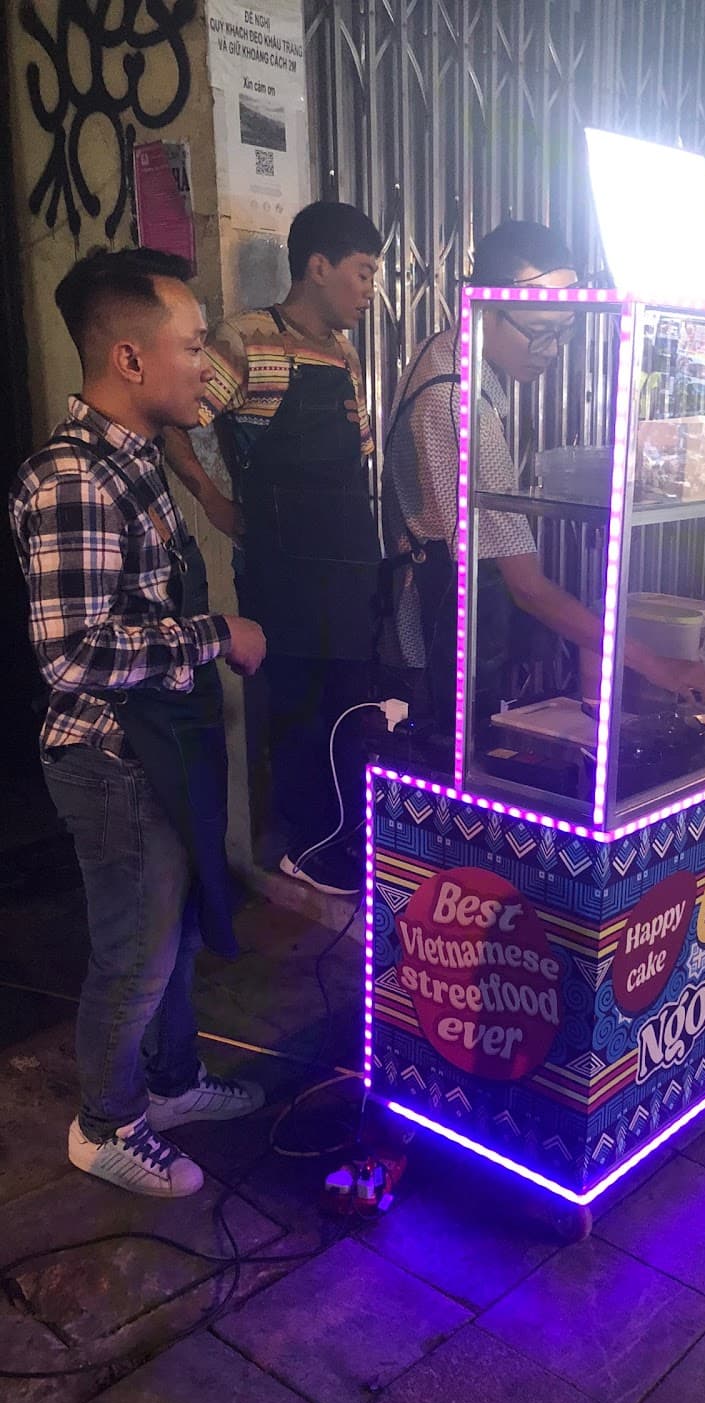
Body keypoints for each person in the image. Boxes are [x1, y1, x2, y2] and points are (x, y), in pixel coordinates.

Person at [9, 249, 269, 1198]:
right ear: (128, 358)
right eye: (193, 347)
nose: (207, 365)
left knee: (180, 931)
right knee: (135, 956)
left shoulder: (140, 457)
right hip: (111, 763)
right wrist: (216, 634)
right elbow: (72, 652)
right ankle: (105, 1125)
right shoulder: (73, 477)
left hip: (159, 749)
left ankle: (169, 1085)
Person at [381, 219, 705, 735]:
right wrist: (659, 665)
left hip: (463, 624)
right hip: (441, 641)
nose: (551, 351)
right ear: (484, 305)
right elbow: (529, 588)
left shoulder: (450, 354)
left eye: (562, 333)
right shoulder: (458, 403)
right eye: (539, 333)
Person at [165, 202, 384, 896]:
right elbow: (176, 419)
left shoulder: (345, 353)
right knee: (298, 709)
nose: (368, 290)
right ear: (317, 267)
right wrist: (212, 499)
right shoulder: (247, 338)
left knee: (350, 707)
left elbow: (361, 458)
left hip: (347, 558)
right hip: (283, 567)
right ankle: (307, 847)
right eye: (362, 273)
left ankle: (348, 840)